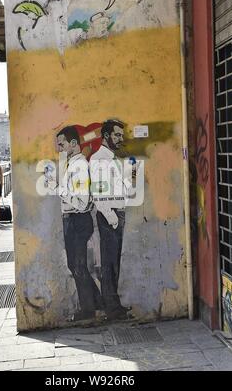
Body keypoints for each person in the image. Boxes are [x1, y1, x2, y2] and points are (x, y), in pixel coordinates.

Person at [45, 125, 103, 321]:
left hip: (77, 220)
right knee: (76, 265)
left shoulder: (79, 166)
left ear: (73, 143)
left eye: (61, 144)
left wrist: (58, 189)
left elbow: (82, 201)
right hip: (74, 219)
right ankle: (97, 302)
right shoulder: (73, 164)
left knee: (77, 265)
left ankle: (88, 310)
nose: (59, 148)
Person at [90, 119, 132, 320]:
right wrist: (112, 217)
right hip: (110, 215)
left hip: (117, 212)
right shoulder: (99, 159)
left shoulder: (112, 158)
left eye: (121, 135)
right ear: (106, 136)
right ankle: (112, 308)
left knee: (114, 261)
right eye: (117, 135)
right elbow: (97, 192)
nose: (120, 138)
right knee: (109, 262)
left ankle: (114, 305)